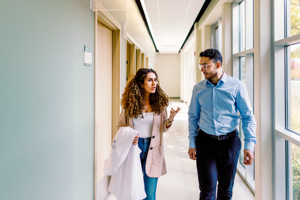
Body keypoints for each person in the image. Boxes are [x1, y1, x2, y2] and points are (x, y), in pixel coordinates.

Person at [188, 48, 256, 200]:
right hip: (205, 143)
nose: (202, 69)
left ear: (218, 65)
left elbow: (248, 117)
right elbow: (193, 117)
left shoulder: (237, 86)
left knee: (226, 191)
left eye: (206, 65)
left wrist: (249, 146)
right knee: (206, 191)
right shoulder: (198, 88)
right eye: (201, 65)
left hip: (229, 143)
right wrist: (192, 142)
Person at [117, 68, 181, 200]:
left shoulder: (160, 103)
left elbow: (162, 128)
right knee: (133, 191)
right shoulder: (130, 104)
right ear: (141, 83)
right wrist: (129, 136)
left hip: (153, 149)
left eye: (155, 80)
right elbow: (120, 126)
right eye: (150, 80)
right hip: (134, 149)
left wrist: (170, 119)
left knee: (150, 195)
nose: (154, 83)